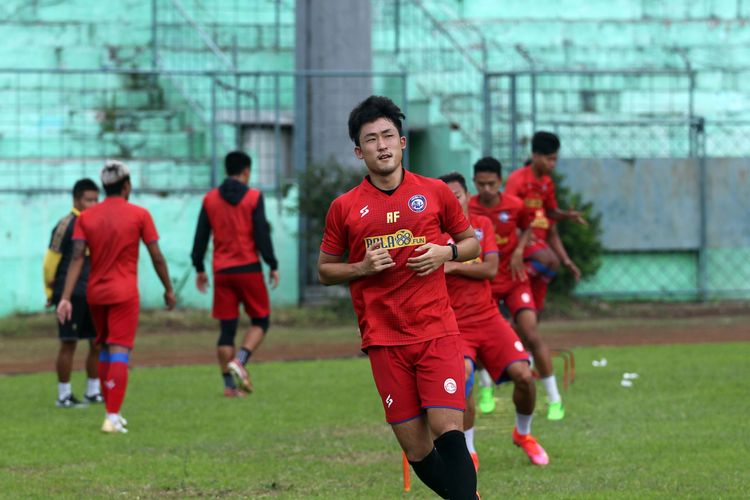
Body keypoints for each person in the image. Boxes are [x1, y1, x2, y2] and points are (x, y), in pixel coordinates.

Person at [318, 95, 480, 499]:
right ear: (359, 151)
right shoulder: (345, 208)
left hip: (436, 331)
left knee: (449, 431)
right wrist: (361, 268)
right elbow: (324, 270)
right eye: (371, 139)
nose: (382, 144)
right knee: (417, 448)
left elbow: (470, 244)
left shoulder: (436, 192)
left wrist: (447, 252)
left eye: (388, 135)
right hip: (384, 340)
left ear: (403, 142)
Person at [56, 160, 176, 433]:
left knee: (105, 348)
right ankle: (111, 416)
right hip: (124, 294)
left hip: (95, 294)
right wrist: (168, 288)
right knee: (120, 350)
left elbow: (76, 257)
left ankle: (114, 413)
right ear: (127, 186)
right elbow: (156, 256)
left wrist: (64, 297)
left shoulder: (86, 217)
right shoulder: (140, 214)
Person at [439, 172, 549, 468]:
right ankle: (469, 451)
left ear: (466, 197)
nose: (452, 200)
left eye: (457, 195)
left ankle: (523, 434)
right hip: (454, 325)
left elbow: (489, 269)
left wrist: (452, 266)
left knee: (525, 377)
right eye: (446, 196)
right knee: (463, 377)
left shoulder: (481, 225)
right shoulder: (431, 234)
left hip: (488, 318)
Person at [469, 157, 565, 421]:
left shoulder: (515, 205)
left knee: (531, 333)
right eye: (481, 184)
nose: (487, 189)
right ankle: (486, 388)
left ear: (500, 182)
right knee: (477, 340)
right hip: (484, 282)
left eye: (491, 183)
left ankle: (554, 399)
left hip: (513, 278)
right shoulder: (468, 208)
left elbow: (527, 226)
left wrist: (519, 251)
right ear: (474, 182)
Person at [191, 151, 280, 398]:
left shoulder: (210, 199)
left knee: (226, 330)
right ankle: (240, 361)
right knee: (261, 320)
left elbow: (200, 238)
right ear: (246, 171)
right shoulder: (253, 197)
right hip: (249, 269)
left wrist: (199, 268)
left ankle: (229, 387)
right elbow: (262, 233)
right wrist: (272, 263)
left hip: (222, 272)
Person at [504, 131, 586, 312]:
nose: (553, 164)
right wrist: (520, 239)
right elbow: (507, 215)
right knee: (547, 259)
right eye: (549, 159)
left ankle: (527, 301)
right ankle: (510, 285)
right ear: (535, 156)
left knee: (551, 267)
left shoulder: (547, 183)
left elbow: (551, 216)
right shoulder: (517, 180)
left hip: (539, 244)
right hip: (522, 241)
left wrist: (567, 216)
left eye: (555, 159)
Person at [44, 178, 102, 408]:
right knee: (69, 343)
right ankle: (64, 395)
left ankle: (93, 391)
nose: (94, 204)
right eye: (89, 200)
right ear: (77, 200)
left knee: (97, 343)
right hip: (70, 294)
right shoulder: (65, 225)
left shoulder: (97, 224)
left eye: (97, 199)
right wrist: (51, 292)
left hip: (93, 292)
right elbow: (50, 263)